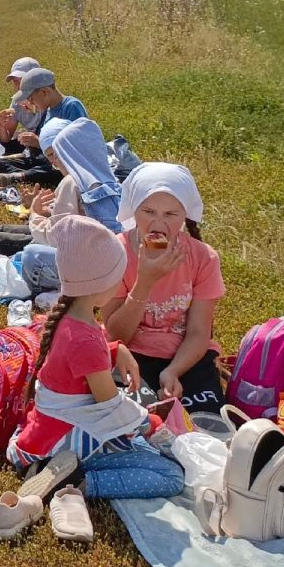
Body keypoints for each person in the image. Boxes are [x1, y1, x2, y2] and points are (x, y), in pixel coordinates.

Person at [7, 216, 149, 470]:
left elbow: (80, 364)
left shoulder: (68, 319)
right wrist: (151, 424)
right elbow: (109, 405)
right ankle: (82, 482)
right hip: (60, 439)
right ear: (101, 284)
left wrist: (117, 350)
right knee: (166, 472)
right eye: (119, 277)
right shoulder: (85, 340)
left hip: (43, 432)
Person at [102, 163, 226, 417]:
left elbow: (198, 332)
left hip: (187, 357)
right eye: (148, 211)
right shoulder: (116, 252)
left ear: (185, 215)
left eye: (171, 214)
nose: (158, 224)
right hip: (131, 353)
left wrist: (173, 372)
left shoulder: (203, 257)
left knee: (207, 419)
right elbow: (117, 333)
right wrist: (145, 281)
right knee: (127, 417)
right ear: (133, 210)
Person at [11, 68, 88, 153]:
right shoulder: (47, 110)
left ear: (44, 92)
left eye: (31, 99)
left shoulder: (71, 107)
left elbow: (78, 145)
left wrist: (38, 142)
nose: (30, 103)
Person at [0, 56, 43, 156]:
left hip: (45, 148)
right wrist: (1, 125)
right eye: (15, 81)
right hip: (30, 145)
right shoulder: (17, 101)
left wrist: (35, 110)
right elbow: (5, 139)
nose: (18, 86)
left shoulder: (46, 99)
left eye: (23, 80)